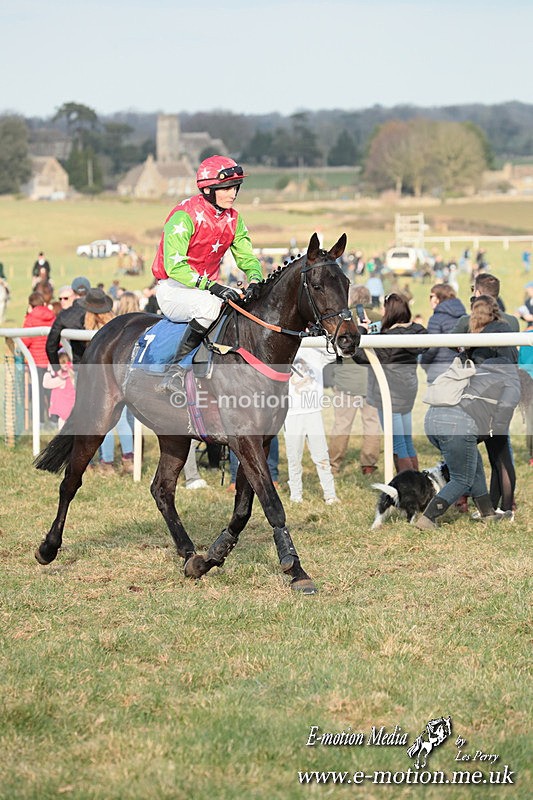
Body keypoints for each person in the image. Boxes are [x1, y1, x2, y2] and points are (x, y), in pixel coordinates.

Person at [151, 155, 264, 393]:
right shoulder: (184, 215)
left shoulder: (234, 219)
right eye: (226, 188)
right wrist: (212, 286)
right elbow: (174, 266)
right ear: (209, 189)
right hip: (173, 289)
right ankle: (176, 371)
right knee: (210, 307)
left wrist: (255, 279)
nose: (233, 193)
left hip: (205, 289)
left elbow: (246, 257)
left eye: (235, 187)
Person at [416, 360, 521, 529]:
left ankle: (487, 513)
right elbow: (507, 406)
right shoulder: (512, 380)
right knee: (462, 479)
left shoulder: (478, 371)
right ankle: (428, 518)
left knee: (474, 463)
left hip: (431, 419)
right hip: (456, 424)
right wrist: (494, 429)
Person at [352, 293, 427, 473]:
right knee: (407, 440)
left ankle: (409, 485)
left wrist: (362, 330)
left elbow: (359, 356)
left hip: (389, 394)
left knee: (398, 443)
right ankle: (416, 478)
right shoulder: (416, 331)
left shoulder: (389, 339)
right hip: (407, 392)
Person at [326, 287, 381, 476]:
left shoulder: (345, 319)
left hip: (346, 379)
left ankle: (334, 465)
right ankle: (369, 464)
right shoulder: (378, 316)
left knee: (341, 424)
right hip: (372, 379)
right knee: (372, 423)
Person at [81, 288, 135, 476]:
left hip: (102, 379)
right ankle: (129, 459)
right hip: (122, 376)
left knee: (104, 420)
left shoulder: (91, 331)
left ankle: (107, 463)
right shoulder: (117, 325)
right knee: (122, 421)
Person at [283, 349, 338, 505]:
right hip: (292, 413)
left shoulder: (316, 351)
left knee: (321, 456)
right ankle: (295, 494)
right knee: (294, 457)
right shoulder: (288, 348)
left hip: (313, 411)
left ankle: (330, 494)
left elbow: (335, 352)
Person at [22, 291, 56, 425]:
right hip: (50, 359)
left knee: (38, 391)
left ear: (31, 304)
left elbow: (26, 340)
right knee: (52, 390)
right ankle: (54, 418)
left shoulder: (30, 319)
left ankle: (40, 420)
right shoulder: (52, 317)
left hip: (35, 360)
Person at [420, 284, 467, 384]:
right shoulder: (465, 318)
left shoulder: (436, 319)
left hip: (439, 372)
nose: (430, 300)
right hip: (461, 371)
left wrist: (424, 363)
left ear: (438, 298)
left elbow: (431, 348)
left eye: (431, 296)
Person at [45, 276, 91, 373]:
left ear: (73, 292)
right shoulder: (102, 311)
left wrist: (57, 369)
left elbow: (51, 345)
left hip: (80, 366)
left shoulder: (64, 315)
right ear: (89, 291)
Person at [452, 273, 519, 335]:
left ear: (477, 293)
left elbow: (450, 343)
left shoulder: (466, 322)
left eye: (473, 289)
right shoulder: (513, 321)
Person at [43, 350, 76, 430]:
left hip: (64, 413)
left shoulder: (62, 378)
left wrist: (48, 372)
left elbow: (46, 384)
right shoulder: (72, 376)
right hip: (72, 410)